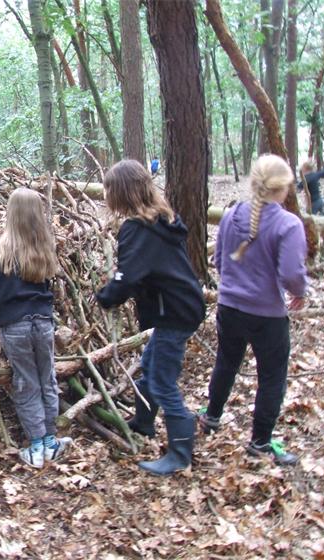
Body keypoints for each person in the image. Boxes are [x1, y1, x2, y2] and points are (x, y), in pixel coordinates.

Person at [95, 159, 205, 476]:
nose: (106, 195)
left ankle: (180, 453)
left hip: (174, 312)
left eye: (109, 190)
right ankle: (143, 423)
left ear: (121, 193)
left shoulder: (138, 229)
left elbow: (128, 276)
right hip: (181, 306)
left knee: (162, 380)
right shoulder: (160, 220)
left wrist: (106, 296)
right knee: (150, 365)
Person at [199, 154, 307, 465]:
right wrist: (299, 292)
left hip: (230, 308)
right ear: (283, 188)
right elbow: (291, 273)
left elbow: (219, 262)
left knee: (226, 362)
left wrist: (236, 286)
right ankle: (260, 441)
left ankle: (212, 416)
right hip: (268, 316)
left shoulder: (231, 215)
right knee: (272, 376)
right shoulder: (288, 224)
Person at [0, 188, 72, 468]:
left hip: (14, 326)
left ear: (11, 213)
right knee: (47, 379)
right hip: (43, 323)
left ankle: (36, 447)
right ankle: (50, 442)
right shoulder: (44, 248)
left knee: (26, 382)